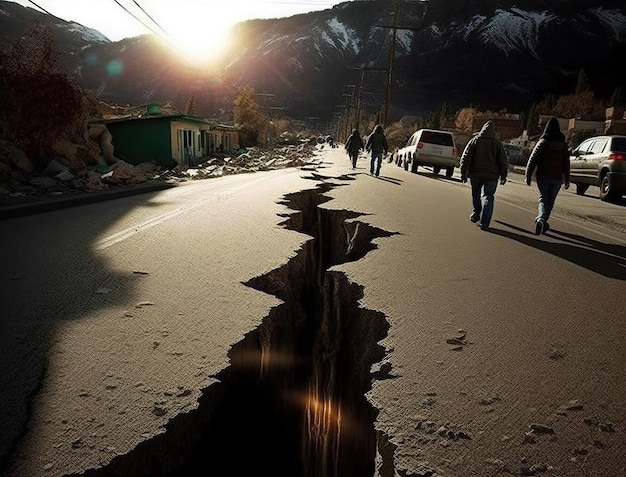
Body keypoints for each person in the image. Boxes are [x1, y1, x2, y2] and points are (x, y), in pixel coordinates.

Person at [525, 116, 570, 235]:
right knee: (550, 201)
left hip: (543, 176)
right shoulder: (563, 145)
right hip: (557, 178)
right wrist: (567, 179)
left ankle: (541, 219)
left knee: (543, 199)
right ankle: (543, 220)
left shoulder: (542, 142)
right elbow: (566, 163)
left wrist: (528, 175)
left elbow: (532, 159)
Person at [459, 120, 508, 230]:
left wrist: (463, 173)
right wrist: (503, 176)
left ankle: (476, 213)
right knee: (488, 197)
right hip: (492, 176)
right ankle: (484, 223)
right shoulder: (497, 144)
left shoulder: (475, 141)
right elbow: (503, 161)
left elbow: (465, 157)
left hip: (476, 174)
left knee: (475, 194)